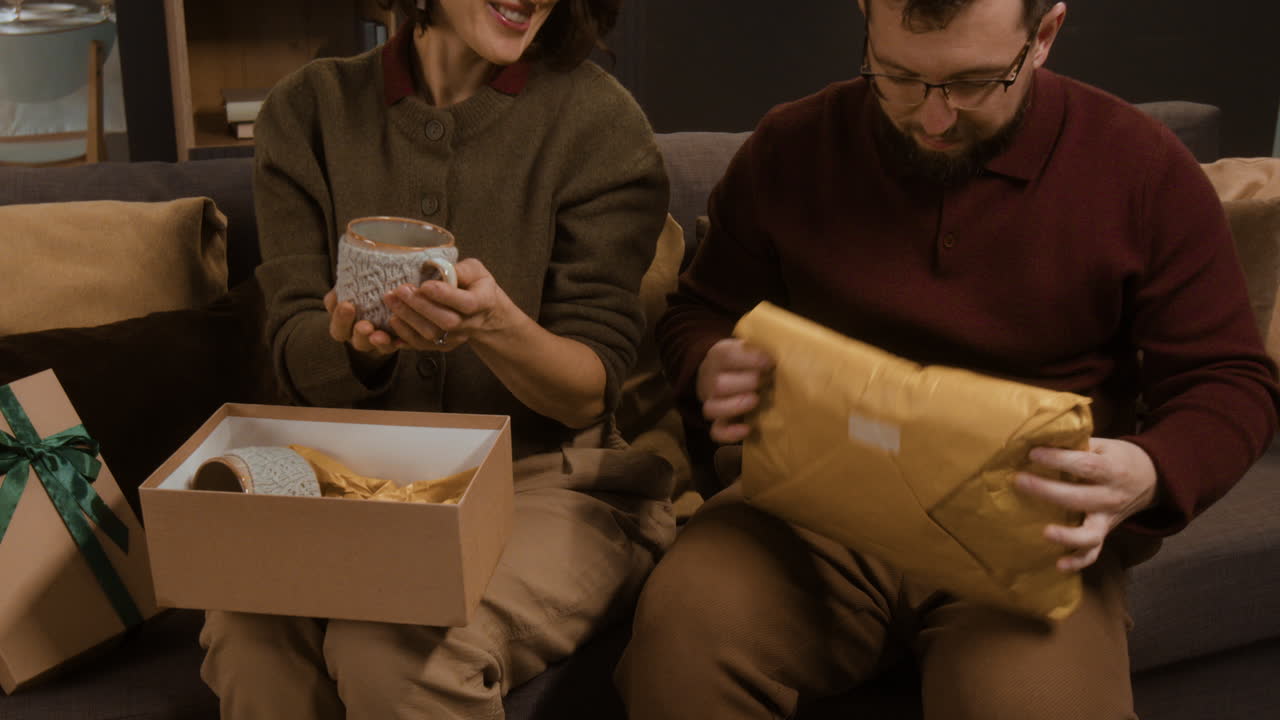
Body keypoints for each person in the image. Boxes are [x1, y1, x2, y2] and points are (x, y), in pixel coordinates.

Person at [616, 1, 1279, 718]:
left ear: (1044, 35)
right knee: (679, 645)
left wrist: (1150, 471)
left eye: (974, 83)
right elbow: (699, 310)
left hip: (1025, 534)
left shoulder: (1142, 168)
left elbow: (1230, 381)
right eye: (898, 77)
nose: (933, 118)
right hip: (803, 513)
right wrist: (711, 360)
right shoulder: (792, 145)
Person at [198, 1, 676, 718]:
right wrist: (353, 350)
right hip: (354, 483)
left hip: (552, 485)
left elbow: (589, 389)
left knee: (392, 648)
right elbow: (292, 345)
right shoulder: (309, 109)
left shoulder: (600, 124)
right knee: (246, 629)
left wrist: (497, 328)